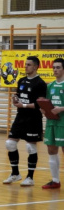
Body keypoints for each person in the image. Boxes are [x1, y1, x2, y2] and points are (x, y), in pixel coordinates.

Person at [3, 56, 47, 186]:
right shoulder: (21, 80)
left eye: (28, 64)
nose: (25, 66)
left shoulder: (40, 83)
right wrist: (15, 100)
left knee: (30, 147)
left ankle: (30, 177)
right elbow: (19, 98)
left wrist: (25, 106)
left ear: (35, 67)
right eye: (25, 64)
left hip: (33, 118)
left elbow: (40, 105)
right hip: (20, 117)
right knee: (10, 144)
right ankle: (15, 173)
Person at [41, 58, 64, 189]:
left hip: (63, 122)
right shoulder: (49, 86)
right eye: (54, 67)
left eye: (58, 67)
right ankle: (55, 180)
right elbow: (47, 102)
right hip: (51, 122)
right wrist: (43, 108)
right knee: (51, 149)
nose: (55, 70)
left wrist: (61, 108)